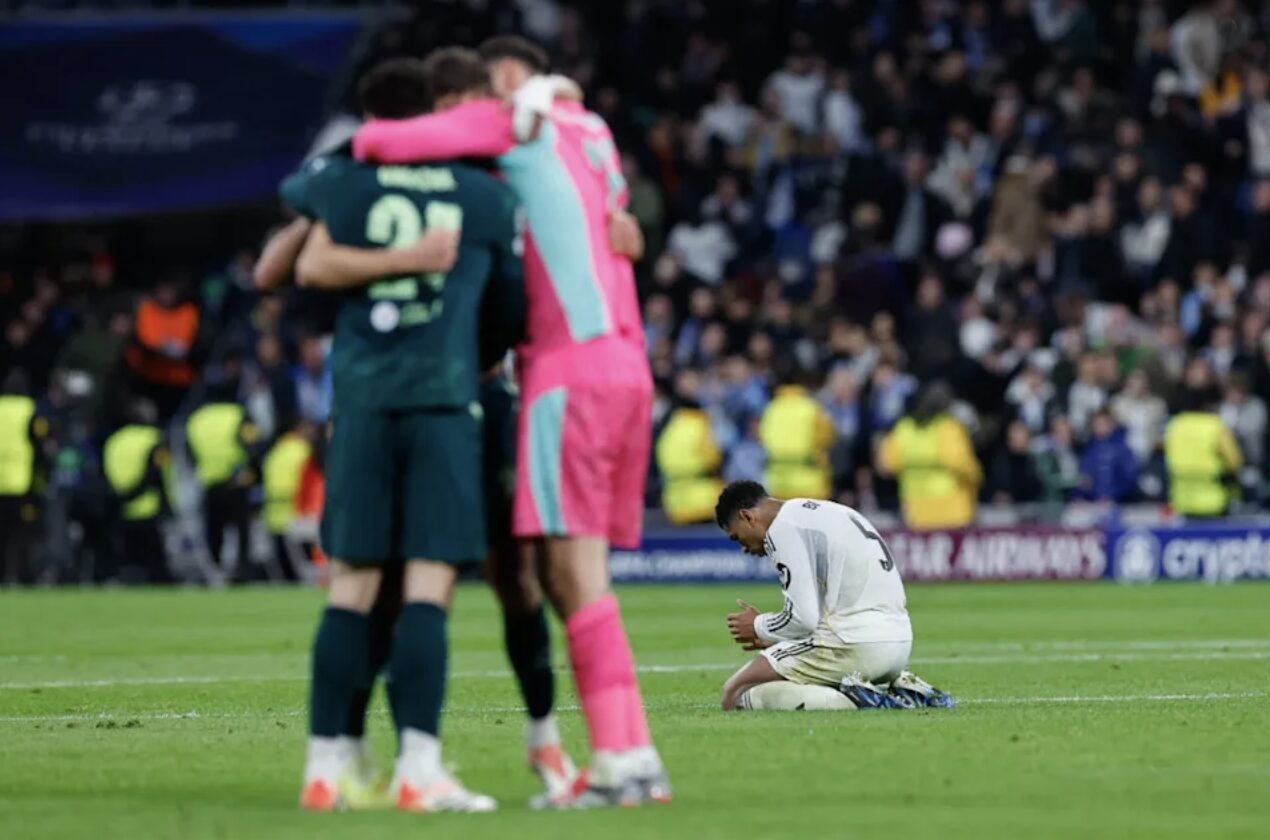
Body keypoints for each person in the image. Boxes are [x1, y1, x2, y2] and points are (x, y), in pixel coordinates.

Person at [353, 39, 668, 807]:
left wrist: (507, 113)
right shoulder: (592, 132)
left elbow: (378, 141)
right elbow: (617, 222)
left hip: (569, 373)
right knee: (577, 579)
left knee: (574, 576)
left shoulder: (516, 127)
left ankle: (620, 764)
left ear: (503, 84)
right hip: (630, 365)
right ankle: (634, 755)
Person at [282, 55, 526, 814]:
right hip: (442, 403)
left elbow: (303, 250)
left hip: (359, 401)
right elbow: (508, 317)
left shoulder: (344, 177)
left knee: (350, 587)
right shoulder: (483, 196)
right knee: (428, 585)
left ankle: (326, 771)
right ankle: (419, 769)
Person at [713, 480, 953, 712]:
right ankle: (900, 688)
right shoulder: (826, 511)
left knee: (735, 694)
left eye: (737, 537)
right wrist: (778, 637)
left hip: (855, 645)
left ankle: (861, 700)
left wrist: (757, 625)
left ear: (747, 516)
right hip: (898, 644)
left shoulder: (781, 528)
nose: (743, 548)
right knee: (789, 673)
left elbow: (802, 618)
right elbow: (817, 617)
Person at [185, 366, 257, 583]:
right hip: (236, 483)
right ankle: (242, 572)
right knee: (241, 531)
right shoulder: (237, 415)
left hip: (210, 483)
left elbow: (190, 454)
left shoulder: (196, 419)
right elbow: (253, 445)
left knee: (214, 532)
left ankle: (215, 573)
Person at [877, 382, 982, 529]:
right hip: (952, 511)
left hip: (915, 512)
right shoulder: (948, 427)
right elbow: (962, 465)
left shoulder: (903, 428)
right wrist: (978, 479)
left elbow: (887, 466)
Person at [102, 400, 172, 584]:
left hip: (121, 509)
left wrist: (122, 498)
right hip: (149, 507)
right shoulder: (155, 438)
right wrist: (168, 503)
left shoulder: (114, 441)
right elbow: (159, 474)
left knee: (129, 566)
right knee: (156, 570)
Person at [1164, 387, 1243, 517]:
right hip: (1214, 500)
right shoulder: (1215, 426)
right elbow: (1234, 461)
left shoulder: (1175, 425)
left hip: (1182, 501)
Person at [0, 372, 48, 584]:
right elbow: (40, 445)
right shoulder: (31, 411)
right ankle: (21, 576)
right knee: (23, 534)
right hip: (21, 483)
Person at [759, 373, 835, 500]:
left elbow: (763, 438)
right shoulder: (811, 408)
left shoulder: (771, 409)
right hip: (809, 483)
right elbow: (826, 438)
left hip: (778, 483)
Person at [260, 420, 314, 582]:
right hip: (296, 511)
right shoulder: (303, 450)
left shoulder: (276, 451)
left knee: (282, 557)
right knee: (299, 558)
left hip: (273, 512)